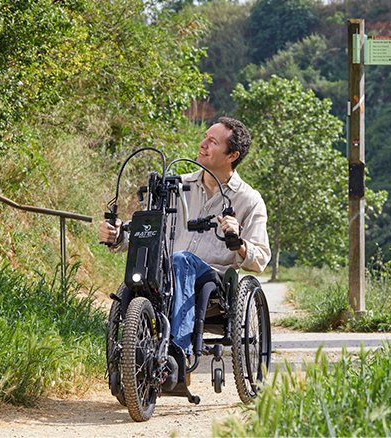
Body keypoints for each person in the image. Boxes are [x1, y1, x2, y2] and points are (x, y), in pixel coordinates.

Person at [99, 117, 270, 356]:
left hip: (211, 281)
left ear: (232, 155)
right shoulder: (176, 186)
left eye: (213, 142)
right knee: (136, 282)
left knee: (182, 260)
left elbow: (260, 258)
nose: (203, 144)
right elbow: (147, 231)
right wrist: (117, 235)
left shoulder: (249, 200)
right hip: (166, 274)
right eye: (204, 137)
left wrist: (238, 241)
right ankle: (133, 357)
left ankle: (179, 354)